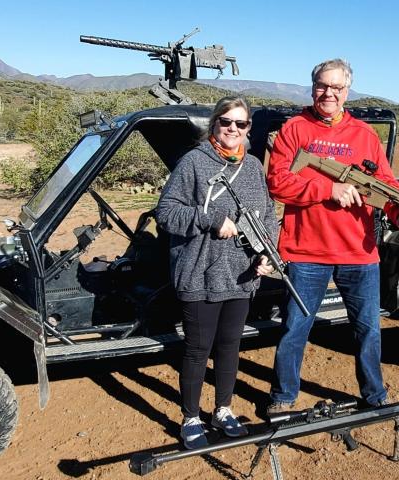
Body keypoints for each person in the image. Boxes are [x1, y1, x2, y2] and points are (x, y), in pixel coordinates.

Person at [266, 58, 399, 414]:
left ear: (347, 91)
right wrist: (329, 190)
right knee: (295, 327)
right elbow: (278, 182)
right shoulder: (295, 129)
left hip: (359, 252)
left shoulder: (364, 135)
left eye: (337, 88)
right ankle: (283, 398)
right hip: (306, 251)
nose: (329, 93)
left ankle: (374, 396)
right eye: (323, 86)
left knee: (368, 330)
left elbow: (384, 185)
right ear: (313, 88)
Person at [156, 96, 277, 449]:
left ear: (248, 129)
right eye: (227, 122)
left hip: (241, 275)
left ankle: (222, 410)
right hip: (200, 273)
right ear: (214, 124)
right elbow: (166, 212)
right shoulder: (193, 163)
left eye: (241, 124)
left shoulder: (253, 167)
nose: (233, 129)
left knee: (229, 347)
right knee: (197, 349)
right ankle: (191, 417)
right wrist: (209, 219)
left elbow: (267, 215)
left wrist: (267, 254)